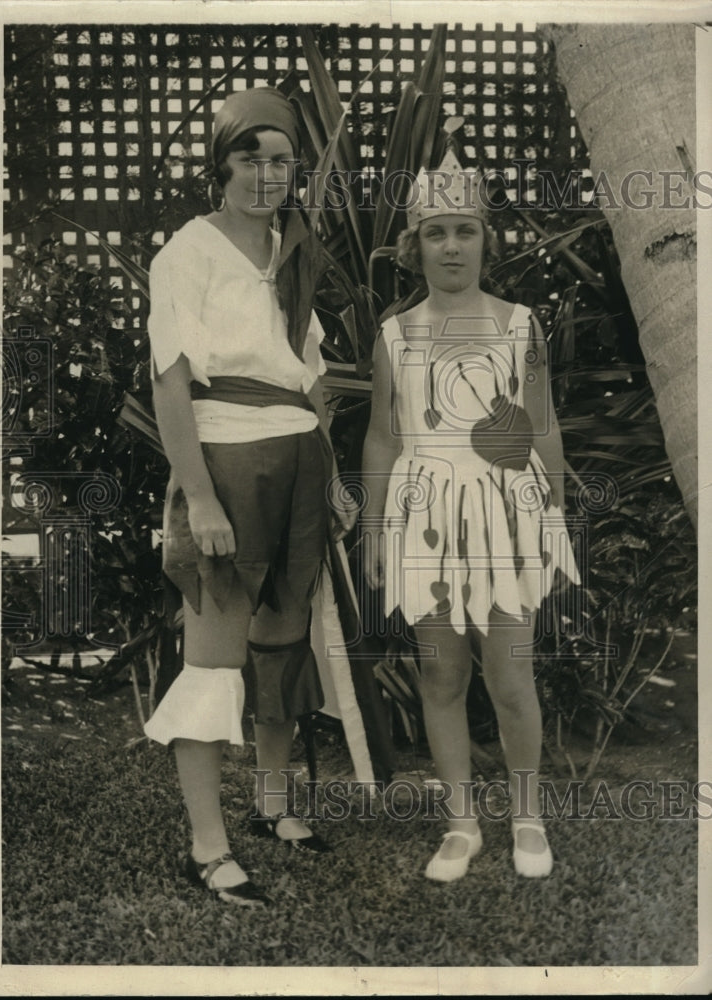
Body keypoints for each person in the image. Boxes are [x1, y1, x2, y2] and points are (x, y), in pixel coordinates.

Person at [143, 87, 355, 905]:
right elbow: (170, 385)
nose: (267, 175)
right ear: (220, 165)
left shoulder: (293, 252)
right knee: (215, 654)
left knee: (282, 640)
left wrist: (329, 473)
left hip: (299, 455)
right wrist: (199, 500)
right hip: (226, 461)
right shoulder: (187, 253)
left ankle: (272, 806)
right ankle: (207, 847)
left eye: (282, 161)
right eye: (250, 158)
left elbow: (308, 374)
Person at [361, 148, 580, 881]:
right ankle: (460, 824)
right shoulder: (396, 335)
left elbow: (542, 428)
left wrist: (553, 516)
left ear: (487, 238)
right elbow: (385, 436)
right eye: (436, 232)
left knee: (511, 676)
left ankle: (526, 816)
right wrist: (374, 529)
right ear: (413, 246)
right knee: (440, 676)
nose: (452, 246)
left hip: (506, 513)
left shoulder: (523, 326)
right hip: (424, 514)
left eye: (465, 230)